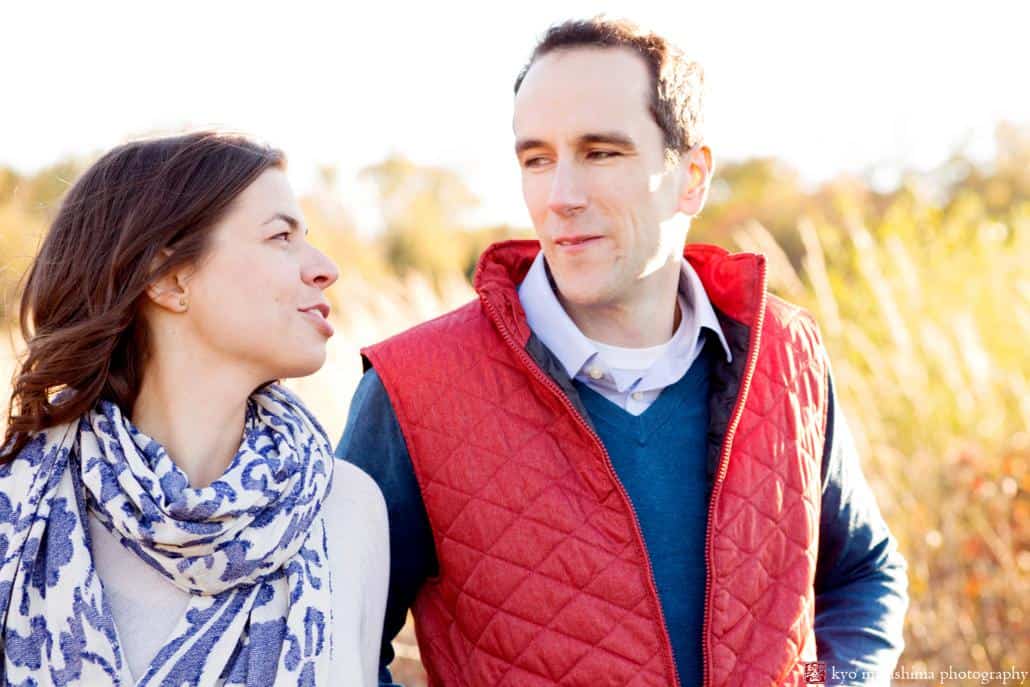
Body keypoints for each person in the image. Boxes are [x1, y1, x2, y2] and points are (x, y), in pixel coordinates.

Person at [338, 17, 908, 687]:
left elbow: (862, 571)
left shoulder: (787, 355)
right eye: (536, 159)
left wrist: (827, 682)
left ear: (691, 176)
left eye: (600, 152)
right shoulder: (415, 386)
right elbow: (334, 641)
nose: (560, 197)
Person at [0, 131, 388, 686]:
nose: (325, 267)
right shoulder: (16, 507)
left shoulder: (347, 511)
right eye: (281, 236)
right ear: (169, 278)